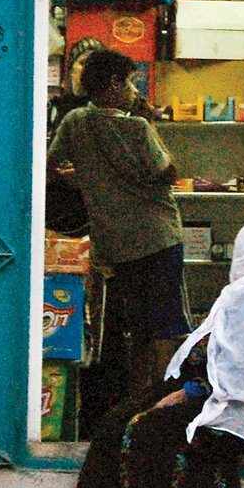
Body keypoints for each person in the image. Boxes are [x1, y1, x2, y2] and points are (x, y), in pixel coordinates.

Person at [77, 222, 244, 488]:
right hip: (213, 393)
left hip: (236, 410)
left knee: (146, 429)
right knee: (115, 421)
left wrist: (189, 392)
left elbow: (240, 377)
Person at [48, 49, 189, 402]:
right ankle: (163, 400)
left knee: (137, 327)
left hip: (115, 246)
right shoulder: (137, 125)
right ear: (113, 83)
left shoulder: (74, 122)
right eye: (128, 81)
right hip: (157, 238)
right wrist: (148, 120)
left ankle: (136, 400)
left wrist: (82, 180)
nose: (132, 89)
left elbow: (50, 166)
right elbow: (168, 172)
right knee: (167, 325)